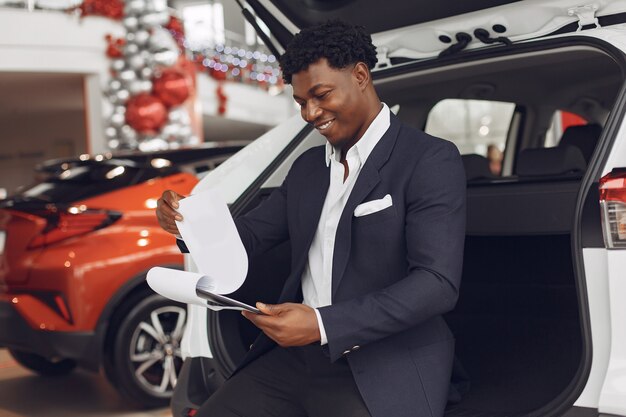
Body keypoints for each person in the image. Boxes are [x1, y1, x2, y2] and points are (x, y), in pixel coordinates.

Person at [156, 20, 466, 417]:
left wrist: (323, 324)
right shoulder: (307, 169)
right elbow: (248, 236)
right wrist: (187, 222)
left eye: (320, 95)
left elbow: (436, 285)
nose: (310, 113)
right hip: (294, 359)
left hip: (383, 362)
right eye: (301, 101)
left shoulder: (428, 159)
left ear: (360, 75)